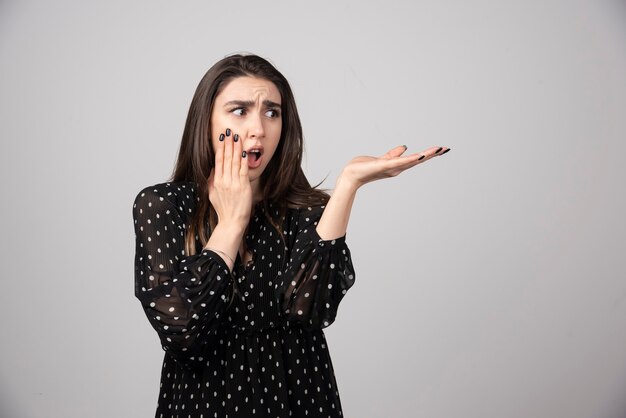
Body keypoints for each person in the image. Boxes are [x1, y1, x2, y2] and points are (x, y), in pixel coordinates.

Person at [132, 53, 450, 418]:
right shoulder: (163, 206)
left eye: (272, 112)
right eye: (239, 110)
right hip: (206, 400)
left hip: (298, 393)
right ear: (206, 122)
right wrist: (233, 222)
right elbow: (184, 330)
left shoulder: (302, 209)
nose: (258, 129)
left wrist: (348, 185)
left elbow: (309, 309)